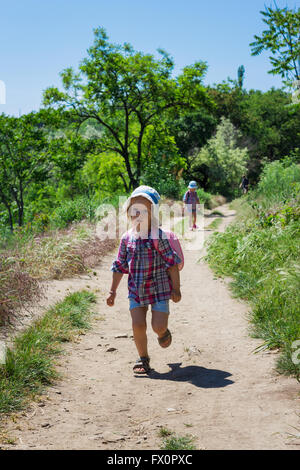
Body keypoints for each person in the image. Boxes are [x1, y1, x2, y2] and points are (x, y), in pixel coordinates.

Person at [106, 185, 182, 375]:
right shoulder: (126, 238)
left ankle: (163, 332)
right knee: (138, 324)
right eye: (134, 209)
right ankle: (143, 359)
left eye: (143, 209)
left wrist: (176, 288)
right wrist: (112, 291)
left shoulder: (158, 236)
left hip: (160, 288)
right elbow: (120, 266)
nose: (137, 213)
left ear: (152, 213)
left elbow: (172, 263)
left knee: (158, 325)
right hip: (136, 290)